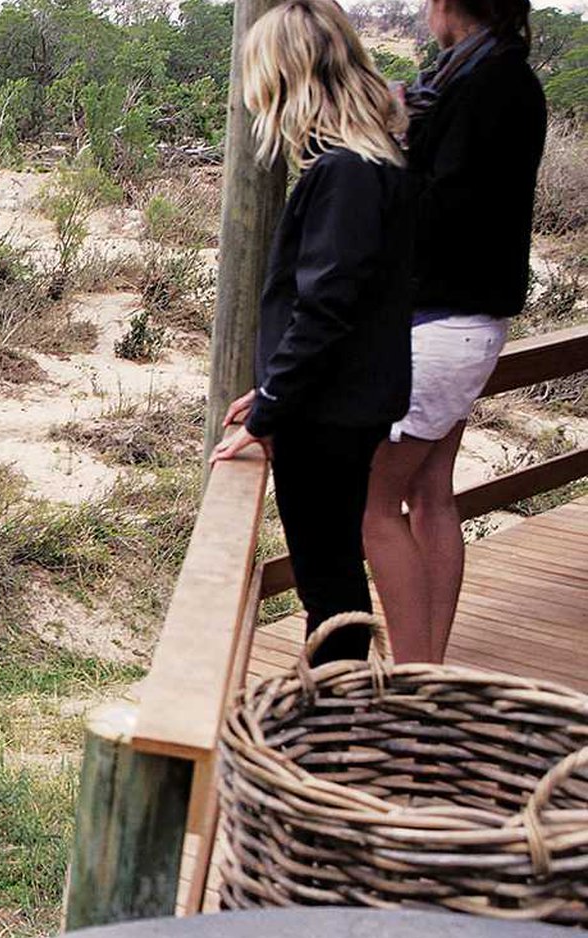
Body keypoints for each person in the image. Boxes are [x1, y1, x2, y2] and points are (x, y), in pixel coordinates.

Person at [212, 0, 416, 666]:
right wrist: (272, 391)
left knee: (328, 584)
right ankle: (338, 710)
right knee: (332, 574)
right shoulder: (371, 163)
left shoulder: (346, 173)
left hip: (329, 417)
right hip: (340, 406)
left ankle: (336, 718)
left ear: (286, 77)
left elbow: (324, 308)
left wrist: (272, 409)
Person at [361, 0, 546, 664]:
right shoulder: (501, 77)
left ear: (448, 5)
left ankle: (412, 683)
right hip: (473, 323)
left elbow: (443, 206)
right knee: (430, 494)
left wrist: (387, 150)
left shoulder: (482, 86)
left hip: (440, 322)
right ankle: (427, 666)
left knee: (373, 506)